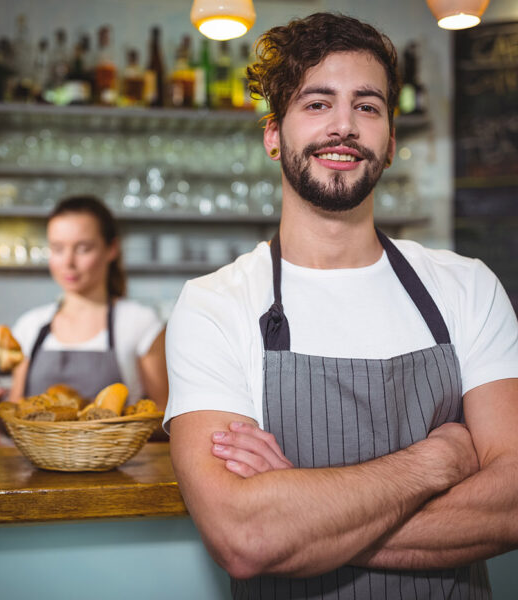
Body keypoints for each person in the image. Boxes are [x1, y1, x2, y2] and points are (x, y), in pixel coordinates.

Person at [164, 12, 518, 600]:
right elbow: (245, 536)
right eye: (317, 104)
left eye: (368, 106)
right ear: (273, 134)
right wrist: (435, 462)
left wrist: (302, 512)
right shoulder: (214, 305)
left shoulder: (468, 287)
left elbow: (511, 504)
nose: (345, 126)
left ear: (391, 139)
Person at [0, 195, 168, 416]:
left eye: (83, 248)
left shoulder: (140, 323)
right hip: (37, 452)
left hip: (113, 451)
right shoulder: (31, 325)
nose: (68, 262)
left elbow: (164, 412)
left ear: (112, 249)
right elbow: (16, 415)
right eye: (58, 248)